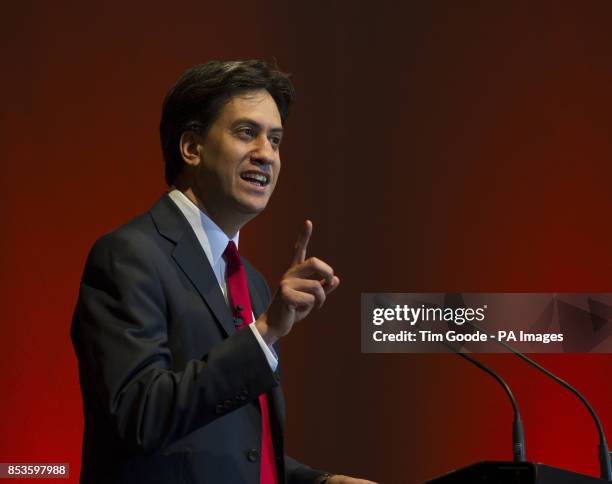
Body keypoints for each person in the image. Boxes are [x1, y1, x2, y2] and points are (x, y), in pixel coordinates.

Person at [71, 60, 376, 484]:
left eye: (275, 139)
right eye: (246, 133)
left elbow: (228, 448)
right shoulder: (128, 256)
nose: (266, 154)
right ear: (192, 147)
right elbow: (141, 417)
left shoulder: (250, 280)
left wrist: (318, 482)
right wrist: (265, 331)